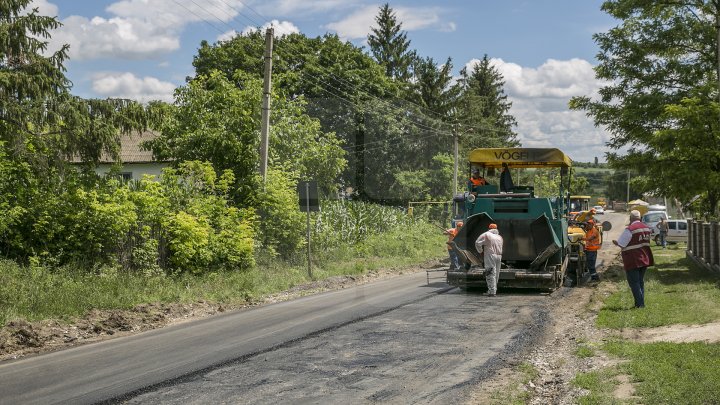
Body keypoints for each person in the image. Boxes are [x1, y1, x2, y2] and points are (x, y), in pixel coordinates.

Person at [612, 210, 654, 308]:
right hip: (645, 258)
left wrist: (616, 243)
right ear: (640, 218)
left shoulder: (630, 229)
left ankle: (640, 305)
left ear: (631, 218)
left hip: (633, 259)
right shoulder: (647, 228)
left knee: (634, 283)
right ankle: (641, 303)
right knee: (640, 282)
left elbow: (622, 244)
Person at [475, 223, 503, 296]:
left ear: (489, 228)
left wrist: (480, 251)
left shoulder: (486, 234)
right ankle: (494, 290)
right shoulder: (499, 237)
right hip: (499, 256)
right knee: (496, 273)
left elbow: (477, 243)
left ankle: (491, 291)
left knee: (490, 272)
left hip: (490, 255)